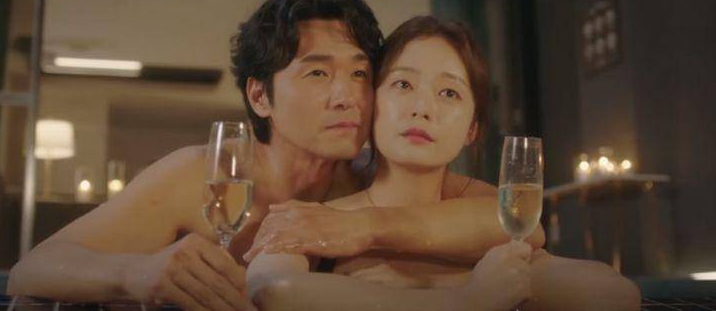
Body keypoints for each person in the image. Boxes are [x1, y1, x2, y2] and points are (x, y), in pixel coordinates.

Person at [7, 0, 543, 311]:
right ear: (260, 96)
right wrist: (135, 274)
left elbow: (513, 221)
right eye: (318, 73)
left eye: (360, 73)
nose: (346, 96)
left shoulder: (369, 178)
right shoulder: (202, 177)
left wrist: (364, 226)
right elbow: (32, 269)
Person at [246, 16, 641, 311]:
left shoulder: (488, 219)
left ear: (472, 128)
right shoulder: (324, 220)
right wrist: (466, 298)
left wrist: (444, 286)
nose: (422, 108)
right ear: (372, 101)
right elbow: (274, 291)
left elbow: (615, 295)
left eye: (449, 93)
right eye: (403, 84)